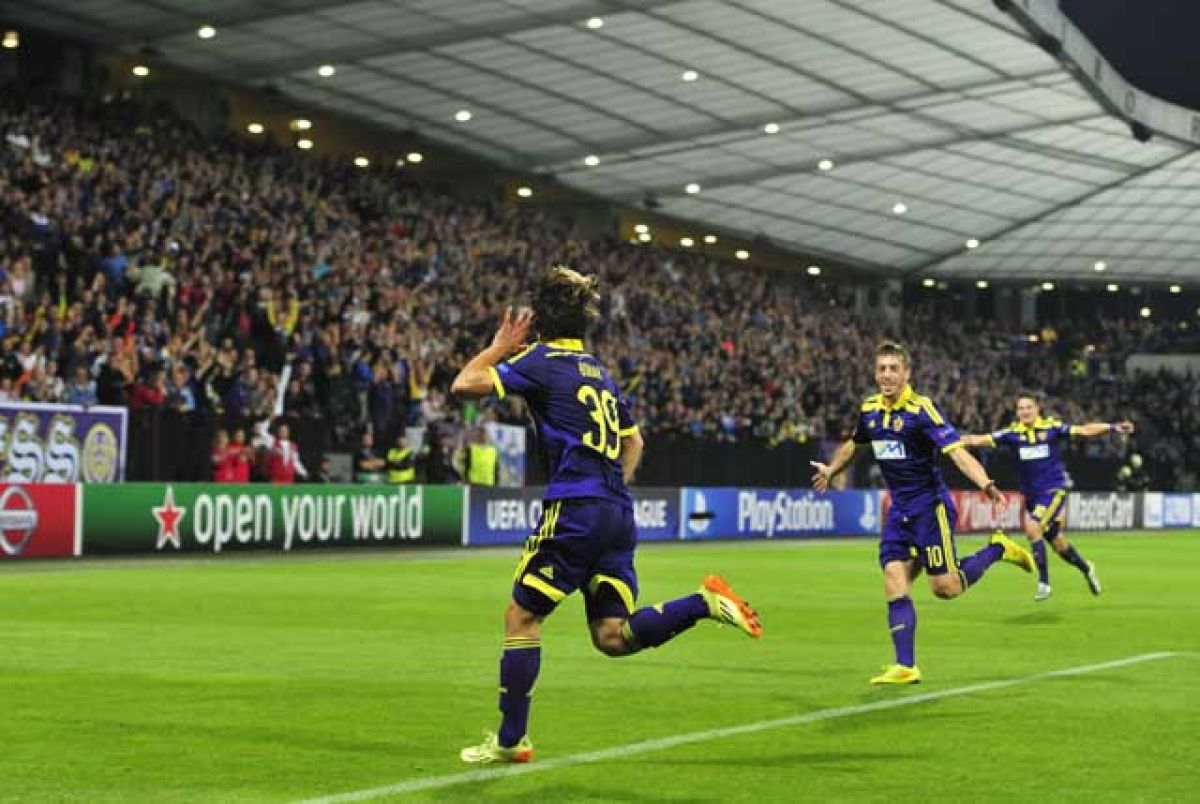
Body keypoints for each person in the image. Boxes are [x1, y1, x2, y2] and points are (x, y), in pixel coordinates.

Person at [451, 266, 762, 764]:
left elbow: (464, 384)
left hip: (576, 508)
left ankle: (511, 741)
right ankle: (702, 603)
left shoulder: (539, 360)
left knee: (522, 616)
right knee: (612, 636)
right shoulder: (599, 371)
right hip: (617, 511)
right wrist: (613, 488)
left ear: (539, 321)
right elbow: (634, 441)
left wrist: (499, 347)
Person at [811, 341, 1034, 686]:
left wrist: (985, 482)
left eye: (893, 369)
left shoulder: (922, 410)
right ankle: (905, 665)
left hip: (930, 508)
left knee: (945, 588)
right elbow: (856, 443)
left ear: (906, 373)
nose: (887, 375)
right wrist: (831, 469)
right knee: (894, 576)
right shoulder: (870, 410)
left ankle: (998, 548)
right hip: (899, 510)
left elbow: (956, 452)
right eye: (882, 369)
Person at [959, 392, 1133, 600]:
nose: (1025, 411)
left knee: (1032, 527)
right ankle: (1087, 568)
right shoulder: (1012, 434)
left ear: (1037, 409)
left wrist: (1112, 427)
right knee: (1059, 544)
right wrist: (948, 439)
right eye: (1021, 408)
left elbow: (1084, 430)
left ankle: (1044, 583)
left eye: (1028, 407)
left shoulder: (1052, 429)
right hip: (1032, 497)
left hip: (1053, 490)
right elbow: (977, 439)